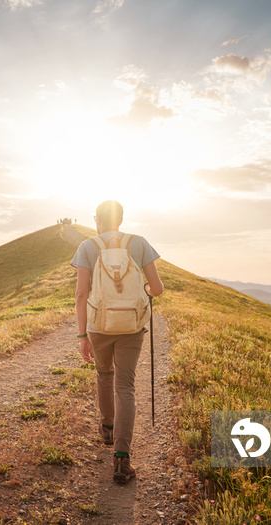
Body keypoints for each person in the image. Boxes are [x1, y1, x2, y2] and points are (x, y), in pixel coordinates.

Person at [70, 200, 164, 484]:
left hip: (99, 326)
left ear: (97, 220)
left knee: (104, 375)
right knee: (126, 386)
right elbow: (157, 289)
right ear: (121, 220)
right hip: (132, 326)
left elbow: (80, 294)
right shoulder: (140, 243)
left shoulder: (87, 247)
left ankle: (107, 427)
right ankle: (123, 460)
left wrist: (83, 335)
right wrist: (145, 289)